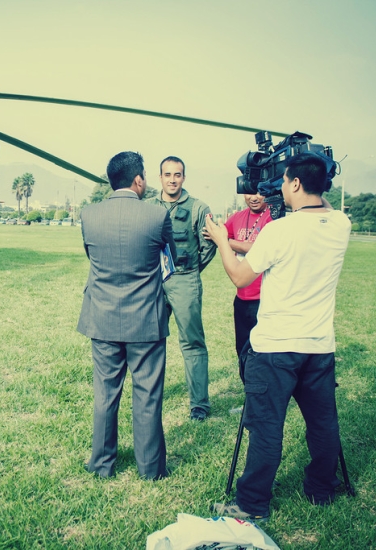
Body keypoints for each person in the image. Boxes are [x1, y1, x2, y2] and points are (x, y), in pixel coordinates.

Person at [205, 152, 351, 522]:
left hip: (274, 349)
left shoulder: (279, 230)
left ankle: (252, 504)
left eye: (284, 181)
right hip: (318, 347)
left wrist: (223, 240)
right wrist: (317, 173)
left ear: (296, 184)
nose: (279, 188)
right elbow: (325, 204)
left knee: (267, 426)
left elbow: (240, 276)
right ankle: (321, 488)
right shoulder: (340, 224)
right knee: (323, 423)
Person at [78, 151, 176, 480]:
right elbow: (168, 260)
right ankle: (151, 469)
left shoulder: (89, 215)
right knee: (147, 394)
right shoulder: (156, 216)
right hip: (146, 320)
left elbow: (92, 256)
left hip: (102, 317)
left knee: (105, 393)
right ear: (138, 180)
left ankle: (102, 464)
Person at [145, 156, 216, 421]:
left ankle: (199, 403)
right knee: (151, 340)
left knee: (192, 342)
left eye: (177, 175)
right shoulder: (148, 206)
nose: (172, 180)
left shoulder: (199, 207)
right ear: (160, 177)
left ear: (183, 177)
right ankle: (150, 396)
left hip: (185, 280)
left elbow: (209, 245)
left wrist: (191, 272)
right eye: (167, 175)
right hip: (153, 281)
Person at [223, 193, 273, 383]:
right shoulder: (237, 218)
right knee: (242, 350)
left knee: (263, 353)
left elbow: (262, 248)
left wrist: (226, 242)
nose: (254, 197)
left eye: (259, 192)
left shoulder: (273, 217)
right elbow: (218, 236)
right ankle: (249, 395)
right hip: (242, 298)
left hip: (265, 299)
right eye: (249, 192)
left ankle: (264, 396)